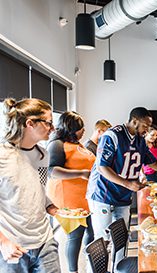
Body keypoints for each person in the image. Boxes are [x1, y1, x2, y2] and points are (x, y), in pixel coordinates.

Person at [87, 107, 157, 240]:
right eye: (145, 126)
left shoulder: (140, 141)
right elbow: (102, 167)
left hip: (122, 195)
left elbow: (155, 164)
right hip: (103, 193)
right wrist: (127, 184)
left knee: (121, 237)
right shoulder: (112, 135)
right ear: (135, 121)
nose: (147, 130)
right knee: (103, 238)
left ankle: (118, 262)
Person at [0, 98, 60, 273]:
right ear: (30, 123)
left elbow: (37, 189)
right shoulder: (3, 156)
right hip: (14, 246)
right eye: (48, 123)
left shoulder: (43, 155)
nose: (53, 128)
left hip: (45, 241)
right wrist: (3, 242)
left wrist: (52, 206)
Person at [47, 111, 95, 273]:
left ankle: (91, 260)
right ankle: (73, 270)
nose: (83, 131)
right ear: (71, 127)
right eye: (81, 128)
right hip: (69, 198)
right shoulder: (57, 144)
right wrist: (81, 173)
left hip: (85, 198)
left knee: (90, 232)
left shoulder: (78, 144)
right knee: (75, 236)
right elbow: (52, 170)